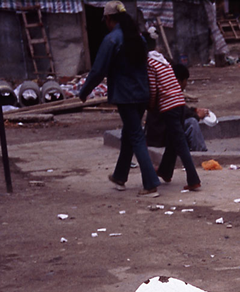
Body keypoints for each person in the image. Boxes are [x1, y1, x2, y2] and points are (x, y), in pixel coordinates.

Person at [78, 0, 160, 197]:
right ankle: (120, 176)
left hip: (125, 95)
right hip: (142, 93)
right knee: (130, 134)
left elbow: (98, 70)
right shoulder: (137, 37)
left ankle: (150, 183)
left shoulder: (112, 40)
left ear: (108, 19)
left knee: (136, 136)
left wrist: (84, 91)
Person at [147, 51, 202, 191]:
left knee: (180, 143)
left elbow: (152, 89)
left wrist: (151, 105)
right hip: (179, 104)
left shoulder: (150, 65)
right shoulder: (164, 63)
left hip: (168, 106)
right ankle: (165, 171)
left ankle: (193, 179)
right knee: (173, 140)